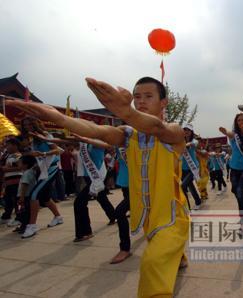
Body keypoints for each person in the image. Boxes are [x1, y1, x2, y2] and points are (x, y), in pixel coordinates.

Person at [6, 76, 189, 297]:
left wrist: (126, 111)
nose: (141, 101)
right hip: (148, 216)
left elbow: (157, 126)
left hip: (172, 216)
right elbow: (96, 130)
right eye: (137, 96)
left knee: (152, 264)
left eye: (148, 96)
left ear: (163, 103)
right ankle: (179, 256)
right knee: (162, 248)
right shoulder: (128, 134)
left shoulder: (174, 132)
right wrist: (58, 118)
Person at [19, 118, 64, 239]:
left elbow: (58, 150)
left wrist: (42, 154)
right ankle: (58, 217)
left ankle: (32, 225)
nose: (27, 126)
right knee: (45, 197)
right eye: (25, 124)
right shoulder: (33, 139)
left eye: (29, 123)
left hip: (51, 168)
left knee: (34, 195)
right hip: (42, 169)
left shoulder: (45, 135)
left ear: (35, 124)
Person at [219, 113, 243, 233]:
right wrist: (225, 132)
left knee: (240, 192)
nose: (241, 122)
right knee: (235, 191)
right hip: (233, 168)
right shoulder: (234, 135)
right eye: (239, 120)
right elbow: (230, 133)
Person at [111, 146, 132, 264]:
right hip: (125, 184)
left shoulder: (137, 141)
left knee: (119, 211)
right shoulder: (118, 145)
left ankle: (125, 249)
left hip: (138, 186)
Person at [0, 138, 22, 226]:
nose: (6, 147)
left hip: (16, 181)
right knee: (8, 200)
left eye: (8, 145)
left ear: (15, 145)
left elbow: (21, 167)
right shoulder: (8, 155)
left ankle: (19, 218)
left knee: (17, 201)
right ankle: (6, 217)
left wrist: (6, 169)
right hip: (8, 181)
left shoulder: (18, 155)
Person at [181, 124, 202, 210]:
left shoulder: (194, 141)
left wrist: (189, 144)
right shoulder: (180, 141)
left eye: (188, 130)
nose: (186, 131)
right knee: (190, 186)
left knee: (183, 186)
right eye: (185, 129)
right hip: (183, 169)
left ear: (191, 132)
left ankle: (187, 208)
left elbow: (194, 143)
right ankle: (198, 201)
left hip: (192, 168)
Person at [15, 155, 38, 234]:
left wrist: (21, 197)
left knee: (24, 212)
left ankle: (25, 226)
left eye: (20, 163)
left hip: (24, 196)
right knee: (23, 212)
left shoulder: (27, 173)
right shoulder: (30, 172)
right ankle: (23, 225)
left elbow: (24, 185)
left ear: (26, 164)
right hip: (26, 196)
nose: (18, 164)